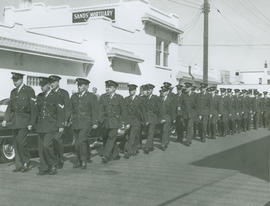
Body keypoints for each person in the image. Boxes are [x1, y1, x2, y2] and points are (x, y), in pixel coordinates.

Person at [2, 72, 36, 172]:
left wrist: (31, 122)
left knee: (22, 143)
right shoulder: (13, 92)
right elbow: (10, 108)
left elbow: (33, 108)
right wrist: (5, 119)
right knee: (16, 143)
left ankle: (26, 162)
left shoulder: (29, 90)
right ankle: (19, 165)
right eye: (13, 80)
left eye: (16, 80)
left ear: (21, 80)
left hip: (24, 121)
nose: (14, 82)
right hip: (14, 122)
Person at [36, 77, 65, 175]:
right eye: (40, 85)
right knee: (41, 148)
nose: (41, 87)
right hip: (40, 125)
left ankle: (53, 165)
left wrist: (61, 125)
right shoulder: (39, 96)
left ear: (49, 85)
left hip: (51, 125)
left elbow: (60, 112)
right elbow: (37, 111)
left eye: (43, 85)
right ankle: (44, 167)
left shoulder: (56, 96)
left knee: (46, 145)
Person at [70, 78, 98, 169]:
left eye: (81, 85)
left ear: (86, 86)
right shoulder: (74, 96)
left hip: (86, 123)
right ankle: (80, 158)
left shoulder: (91, 96)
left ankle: (83, 160)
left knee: (81, 141)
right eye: (78, 85)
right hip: (76, 123)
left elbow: (94, 110)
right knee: (77, 143)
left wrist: (95, 122)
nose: (79, 87)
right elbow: (71, 110)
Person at [99, 80, 127, 163]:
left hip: (115, 122)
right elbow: (100, 110)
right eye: (106, 87)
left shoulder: (119, 98)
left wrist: (123, 123)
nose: (107, 88)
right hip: (105, 122)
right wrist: (100, 120)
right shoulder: (103, 97)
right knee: (107, 138)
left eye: (109, 87)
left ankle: (106, 155)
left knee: (111, 138)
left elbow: (124, 111)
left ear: (114, 89)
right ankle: (116, 154)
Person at [49, 75, 71, 169]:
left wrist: (65, 120)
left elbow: (68, 108)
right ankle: (54, 160)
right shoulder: (49, 93)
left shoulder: (64, 93)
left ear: (58, 82)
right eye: (50, 83)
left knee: (57, 140)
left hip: (60, 122)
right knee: (51, 142)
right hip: (51, 122)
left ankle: (60, 160)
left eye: (53, 82)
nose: (52, 84)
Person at [123, 84, 144, 158]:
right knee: (129, 135)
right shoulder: (126, 99)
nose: (130, 92)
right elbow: (124, 111)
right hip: (128, 120)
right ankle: (134, 150)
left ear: (135, 91)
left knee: (133, 135)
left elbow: (142, 111)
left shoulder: (140, 99)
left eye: (132, 90)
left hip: (136, 120)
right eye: (129, 90)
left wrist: (143, 120)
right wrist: (125, 121)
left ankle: (128, 151)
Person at [143, 84, 162, 154]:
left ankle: (147, 147)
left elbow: (159, 109)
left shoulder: (156, 98)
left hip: (152, 118)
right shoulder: (144, 98)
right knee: (147, 132)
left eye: (150, 90)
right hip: (145, 118)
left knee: (150, 133)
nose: (148, 91)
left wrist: (158, 118)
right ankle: (151, 146)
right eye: (147, 90)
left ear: (152, 90)